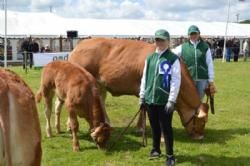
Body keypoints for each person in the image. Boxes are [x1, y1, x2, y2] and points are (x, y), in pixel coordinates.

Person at [139, 29, 181, 166]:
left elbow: (176, 80)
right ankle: (156, 149)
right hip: (150, 99)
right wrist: (142, 96)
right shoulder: (150, 58)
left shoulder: (173, 59)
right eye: (157, 40)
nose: (159, 42)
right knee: (154, 126)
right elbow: (144, 78)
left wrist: (172, 100)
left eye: (162, 40)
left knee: (166, 128)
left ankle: (170, 156)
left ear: (168, 41)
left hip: (165, 100)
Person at [172, 25, 216, 101]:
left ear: (199, 34)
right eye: (191, 34)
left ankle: (198, 112)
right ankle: (191, 112)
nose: (193, 36)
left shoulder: (205, 47)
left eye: (195, 33)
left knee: (199, 99)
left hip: (202, 78)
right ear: (188, 35)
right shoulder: (183, 47)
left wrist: (211, 80)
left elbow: (209, 63)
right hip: (189, 78)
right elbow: (172, 54)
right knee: (189, 99)